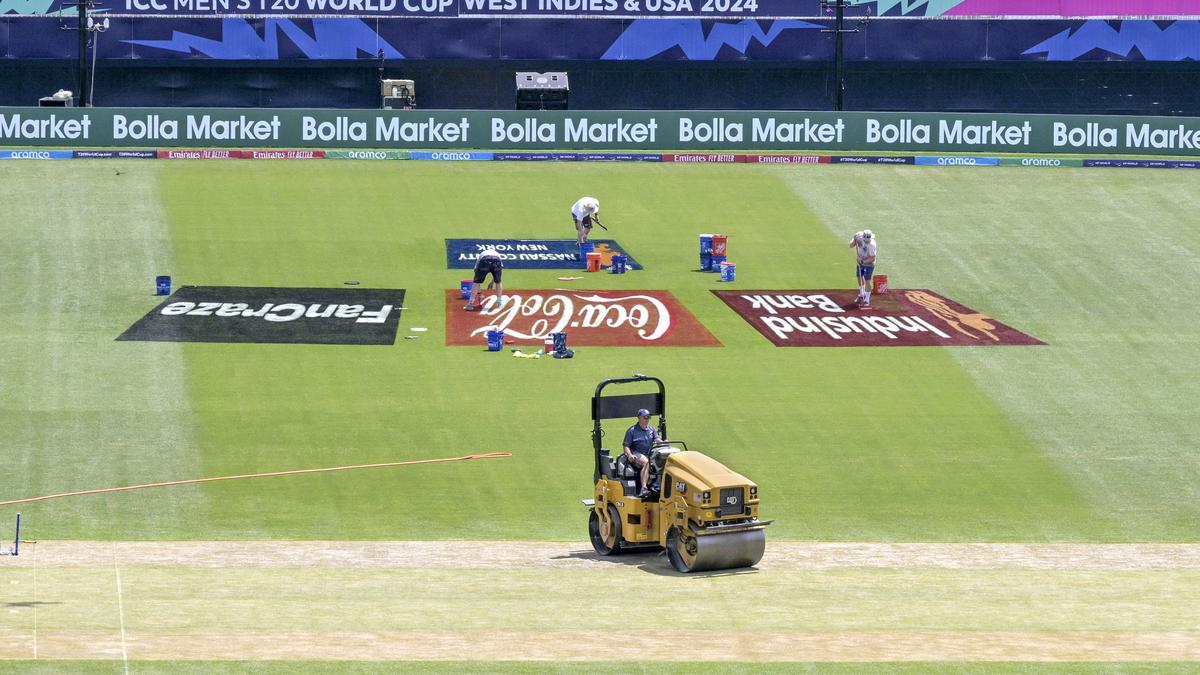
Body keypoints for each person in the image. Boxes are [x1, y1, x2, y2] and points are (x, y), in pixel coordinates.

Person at [623, 408, 660, 499]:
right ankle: (643, 488)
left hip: (649, 453)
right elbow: (626, 446)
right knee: (647, 462)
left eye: (648, 417)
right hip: (636, 454)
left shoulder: (651, 429)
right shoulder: (632, 430)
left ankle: (657, 485)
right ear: (639, 418)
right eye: (645, 417)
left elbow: (657, 440)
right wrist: (629, 455)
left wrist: (663, 442)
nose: (647, 419)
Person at [465, 247, 503, 311]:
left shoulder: (482, 253)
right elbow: (498, 275)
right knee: (498, 282)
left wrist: (479, 292)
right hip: (496, 260)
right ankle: (499, 303)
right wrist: (492, 282)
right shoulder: (497, 254)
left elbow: (476, 272)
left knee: (476, 282)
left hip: (484, 260)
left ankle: (470, 304)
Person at [849, 229, 878, 308]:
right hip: (860, 261)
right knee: (859, 276)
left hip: (869, 264)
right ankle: (862, 293)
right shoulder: (858, 236)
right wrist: (854, 239)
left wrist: (862, 261)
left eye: (868, 240)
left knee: (867, 280)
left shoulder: (872, 245)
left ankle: (867, 300)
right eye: (865, 240)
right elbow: (851, 245)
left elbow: (872, 258)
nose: (867, 241)